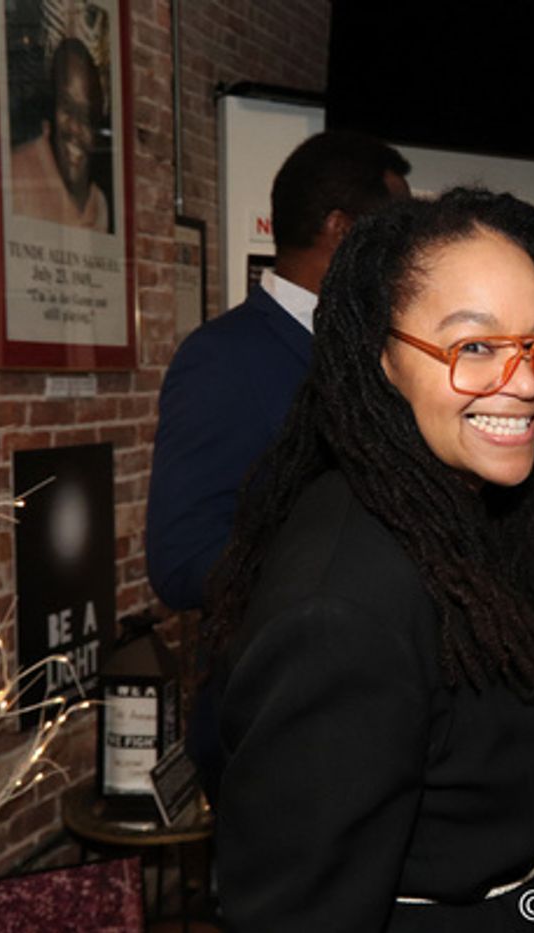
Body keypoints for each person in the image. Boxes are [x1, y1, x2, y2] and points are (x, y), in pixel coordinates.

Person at [207, 190, 534, 931]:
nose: (523, 380)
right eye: (474, 346)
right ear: (380, 356)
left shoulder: (456, 516)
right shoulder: (341, 610)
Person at [147, 131, 410, 613]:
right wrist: (348, 562)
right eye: (397, 233)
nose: (409, 256)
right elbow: (181, 564)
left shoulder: (388, 347)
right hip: (282, 676)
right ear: (343, 231)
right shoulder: (221, 359)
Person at [10, 37, 109, 231]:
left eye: (86, 118)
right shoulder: (15, 178)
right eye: (67, 109)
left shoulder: (99, 205)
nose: (75, 128)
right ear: (51, 107)